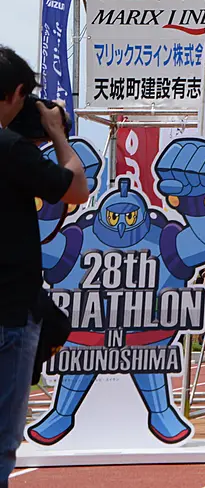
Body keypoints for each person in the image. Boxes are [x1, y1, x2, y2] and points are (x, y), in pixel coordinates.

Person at [0, 47, 90, 485]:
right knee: (1, 440)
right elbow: (75, 190)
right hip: (9, 312)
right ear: (16, 93)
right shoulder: (11, 150)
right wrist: (57, 134)